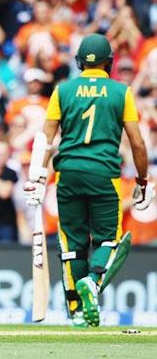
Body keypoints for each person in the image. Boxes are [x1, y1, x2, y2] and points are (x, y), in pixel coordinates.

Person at [24, 34, 155, 328]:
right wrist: (143, 179)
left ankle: (77, 310)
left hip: (67, 173)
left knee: (72, 243)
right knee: (110, 239)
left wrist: (37, 177)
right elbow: (137, 142)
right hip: (104, 174)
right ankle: (93, 284)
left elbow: (45, 138)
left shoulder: (62, 90)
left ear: (80, 62)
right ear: (109, 62)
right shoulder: (122, 92)